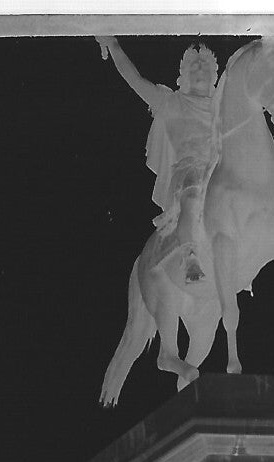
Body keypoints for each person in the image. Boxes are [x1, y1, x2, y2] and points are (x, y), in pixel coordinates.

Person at [96, 35, 222, 283]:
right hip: (188, 173)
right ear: (183, 75)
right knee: (193, 190)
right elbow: (135, 80)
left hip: (217, 173)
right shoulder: (172, 103)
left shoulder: (222, 108)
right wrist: (114, 45)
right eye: (194, 66)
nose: (199, 70)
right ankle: (189, 256)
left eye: (205, 66)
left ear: (214, 76)